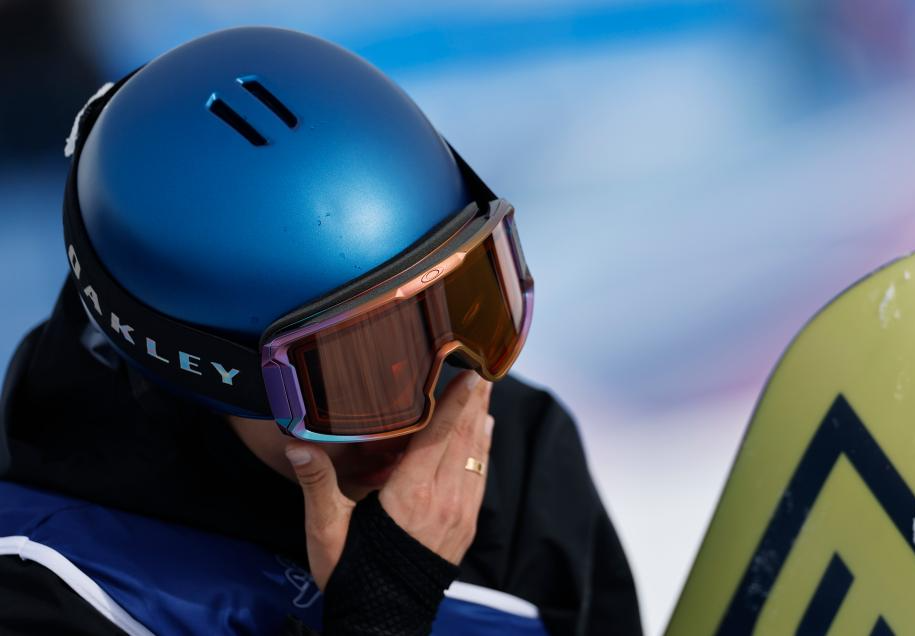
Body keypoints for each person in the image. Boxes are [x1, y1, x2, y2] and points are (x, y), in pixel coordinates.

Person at [0, 26, 642, 636]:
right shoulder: (54, 583)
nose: (426, 410)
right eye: (355, 370)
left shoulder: (513, 465)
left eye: (461, 303)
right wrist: (380, 616)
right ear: (209, 375)